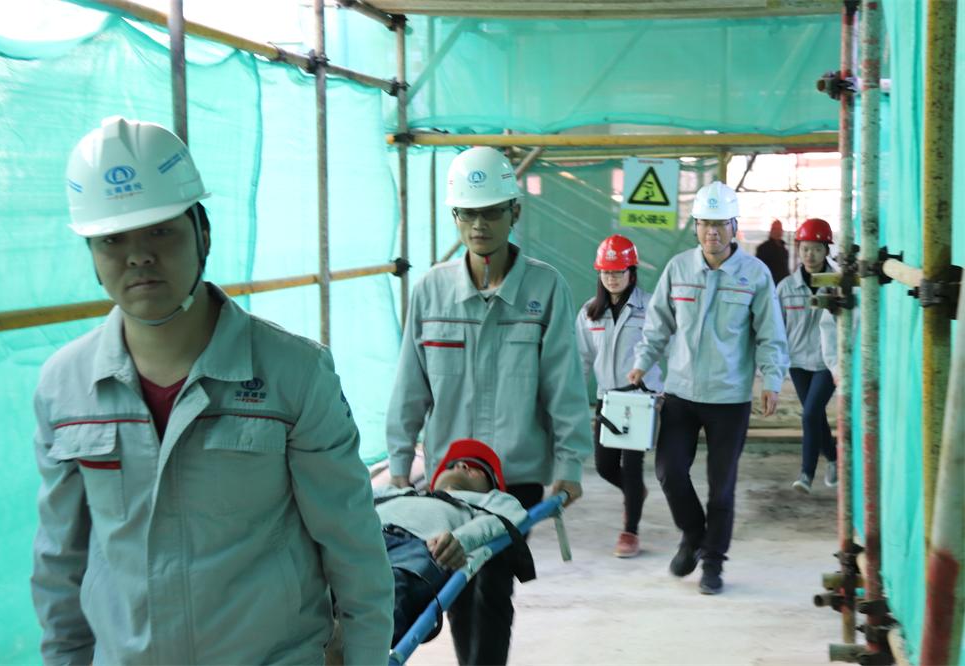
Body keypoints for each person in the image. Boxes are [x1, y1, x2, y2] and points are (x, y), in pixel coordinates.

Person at [31, 117, 393, 665]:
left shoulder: (293, 375)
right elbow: (61, 563)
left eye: (160, 231)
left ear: (203, 233)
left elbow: (354, 548)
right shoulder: (65, 389)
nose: (138, 255)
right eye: (112, 239)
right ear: (92, 253)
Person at [386, 146, 592, 664]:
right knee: (455, 582)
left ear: (514, 212)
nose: (479, 225)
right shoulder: (431, 292)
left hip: (515, 474)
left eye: (492, 212)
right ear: (455, 216)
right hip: (450, 475)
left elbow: (564, 385)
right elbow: (410, 385)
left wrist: (569, 466)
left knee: (493, 585)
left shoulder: (545, 288)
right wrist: (398, 462)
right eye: (468, 213)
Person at [628, 181, 789, 596]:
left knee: (722, 486)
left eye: (720, 224)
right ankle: (693, 535)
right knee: (668, 471)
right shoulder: (679, 268)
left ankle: (713, 562)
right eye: (704, 223)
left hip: (729, 398)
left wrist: (771, 380)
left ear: (734, 226)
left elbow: (770, 334)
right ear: (696, 225)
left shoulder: (755, 275)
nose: (711, 232)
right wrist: (642, 363)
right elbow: (658, 323)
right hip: (681, 392)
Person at [374, 439, 530, 649]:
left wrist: (461, 540)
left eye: (477, 468)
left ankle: (352, 646)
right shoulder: (395, 493)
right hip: (364, 537)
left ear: (491, 488)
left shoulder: (485, 502)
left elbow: (509, 514)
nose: (462, 465)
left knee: (389, 587)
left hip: (420, 547)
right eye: (453, 464)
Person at [575, 234, 663, 558]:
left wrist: (664, 389)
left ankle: (630, 531)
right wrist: (574, 396)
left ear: (631, 272)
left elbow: (669, 346)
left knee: (632, 465)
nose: (612, 278)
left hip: (640, 398)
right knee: (605, 466)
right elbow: (582, 358)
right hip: (607, 398)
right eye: (606, 272)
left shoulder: (650, 307)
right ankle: (635, 493)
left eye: (618, 271)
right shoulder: (589, 312)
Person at [777, 218, 839, 493]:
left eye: (816, 249)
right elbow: (776, 327)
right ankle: (834, 459)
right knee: (815, 416)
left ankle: (806, 474)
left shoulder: (839, 284)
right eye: (805, 249)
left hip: (827, 361)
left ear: (827, 250)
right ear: (798, 250)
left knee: (810, 413)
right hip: (797, 361)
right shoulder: (785, 288)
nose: (810, 255)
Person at [756, 219, 790, 285]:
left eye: (779, 229)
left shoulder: (784, 249)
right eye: (775, 229)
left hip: (783, 284)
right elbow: (759, 269)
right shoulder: (763, 248)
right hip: (770, 285)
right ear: (771, 231)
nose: (777, 231)